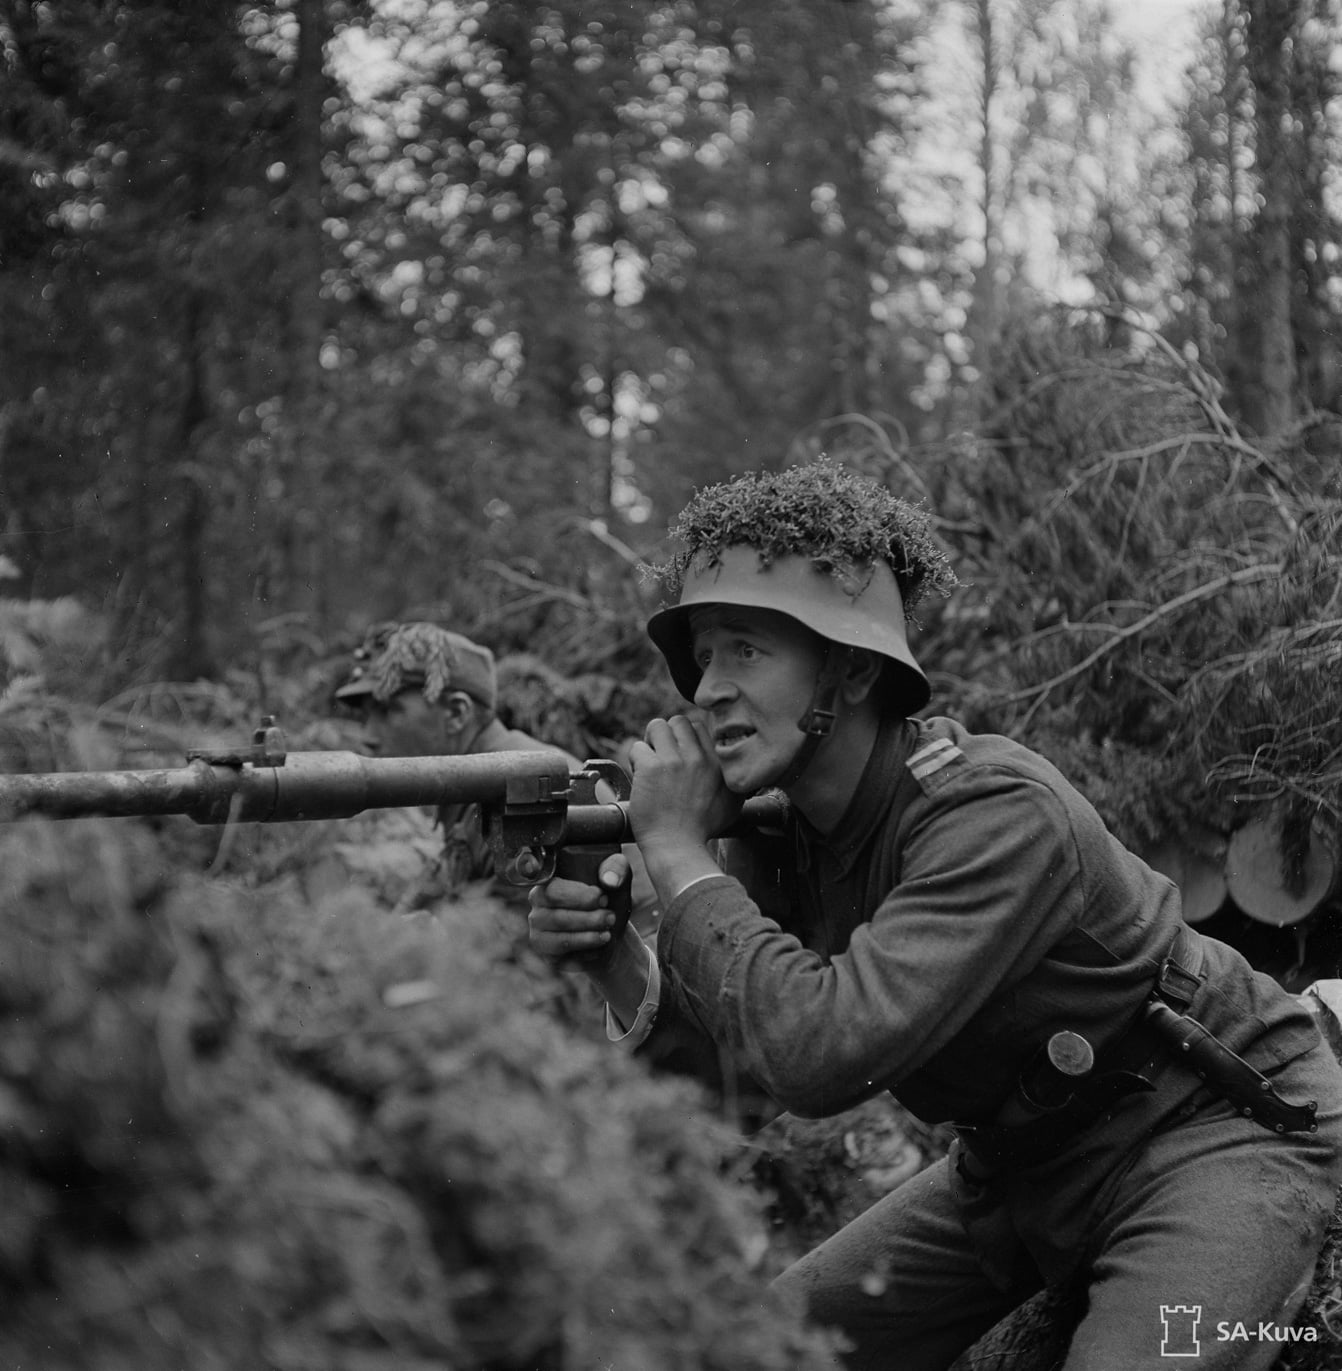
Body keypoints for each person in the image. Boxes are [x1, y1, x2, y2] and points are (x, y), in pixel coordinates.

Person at [527, 461, 1342, 1370]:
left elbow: (818, 1054)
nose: (708, 687)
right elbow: (740, 1087)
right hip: (1016, 1168)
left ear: (854, 669)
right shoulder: (794, 830)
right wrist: (615, 959)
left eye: (746, 651)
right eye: (705, 654)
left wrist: (676, 855)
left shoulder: (995, 811)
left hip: (1207, 1133)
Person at [336, 622, 656, 929]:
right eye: (365, 716)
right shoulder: (484, 779)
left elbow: (517, 943)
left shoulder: (517, 785)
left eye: (388, 711)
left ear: (457, 713)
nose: (368, 736)